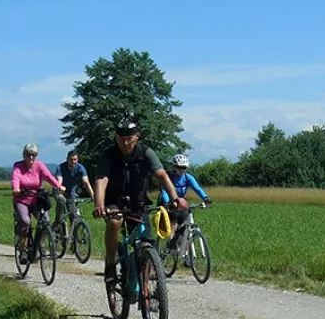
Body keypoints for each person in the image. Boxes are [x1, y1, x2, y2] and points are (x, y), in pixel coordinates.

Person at [93, 118, 183, 283]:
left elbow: (162, 176)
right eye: (121, 138)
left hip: (139, 202)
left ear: (137, 137)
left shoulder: (146, 153)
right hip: (114, 200)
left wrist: (175, 198)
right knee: (114, 222)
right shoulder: (108, 155)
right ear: (116, 137)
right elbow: (101, 180)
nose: (125, 142)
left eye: (129, 138)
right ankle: (111, 263)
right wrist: (99, 205)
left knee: (147, 242)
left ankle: (148, 288)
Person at [11, 143, 67, 249]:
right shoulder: (18, 165)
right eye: (28, 154)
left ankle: (40, 244)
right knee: (26, 221)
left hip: (36, 199)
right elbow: (16, 177)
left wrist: (58, 186)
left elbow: (48, 176)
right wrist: (16, 188)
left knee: (45, 220)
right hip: (21, 200)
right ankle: (23, 248)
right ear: (24, 155)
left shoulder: (39, 165)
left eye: (34, 154)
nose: (31, 157)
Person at [157, 153, 213, 250]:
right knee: (173, 223)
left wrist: (205, 197)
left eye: (184, 168)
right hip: (167, 202)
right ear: (174, 166)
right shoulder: (169, 177)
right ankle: (168, 244)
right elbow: (164, 191)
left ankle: (186, 254)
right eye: (179, 167)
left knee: (185, 226)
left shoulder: (188, 177)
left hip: (181, 202)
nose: (181, 170)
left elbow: (197, 188)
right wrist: (167, 202)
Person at [54, 149, 96, 228]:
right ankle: (55, 229)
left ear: (77, 159)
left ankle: (74, 238)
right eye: (71, 160)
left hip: (71, 193)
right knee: (59, 217)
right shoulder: (61, 167)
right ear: (67, 159)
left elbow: (86, 182)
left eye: (75, 160)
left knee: (73, 217)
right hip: (61, 192)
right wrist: (60, 187)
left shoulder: (80, 168)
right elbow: (59, 181)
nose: (73, 162)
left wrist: (92, 195)